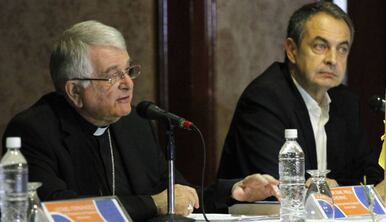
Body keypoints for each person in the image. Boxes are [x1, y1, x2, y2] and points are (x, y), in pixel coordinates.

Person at [2, 20, 280, 221]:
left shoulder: (133, 123)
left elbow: (174, 194)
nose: (127, 83)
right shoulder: (34, 131)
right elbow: (57, 208)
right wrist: (151, 205)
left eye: (128, 70)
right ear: (75, 91)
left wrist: (234, 191)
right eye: (113, 75)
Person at [218, 2, 386, 204]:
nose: (333, 59)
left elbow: (371, 174)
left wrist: (343, 191)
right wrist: (364, 196)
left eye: (342, 49)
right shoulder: (264, 100)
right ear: (292, 50)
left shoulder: (345, 102)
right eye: (320, 46)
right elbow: (282, 188)